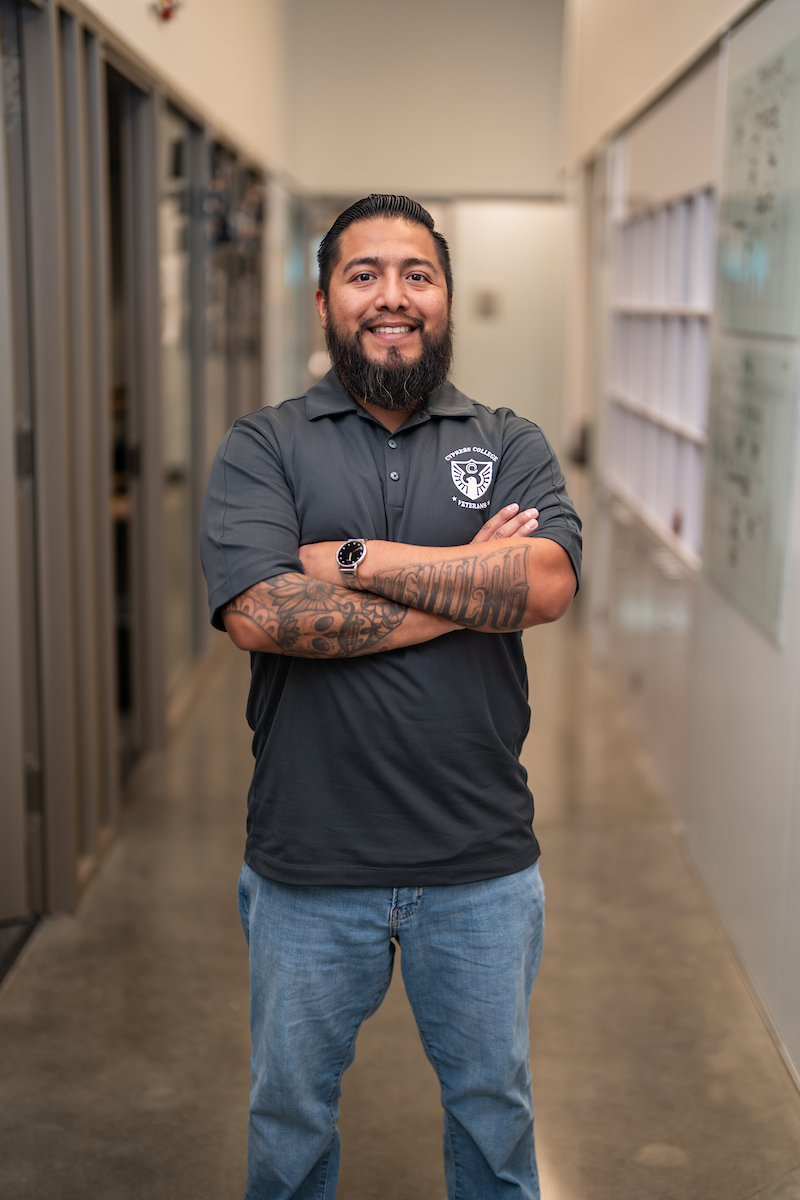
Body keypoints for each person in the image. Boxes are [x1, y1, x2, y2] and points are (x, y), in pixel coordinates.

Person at [199, 194, 581, 1200]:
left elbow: (541, 585)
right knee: (287, 1122)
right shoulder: (262, 444)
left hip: (479, 862)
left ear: (445, 297)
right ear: (322, 299)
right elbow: (264, 614)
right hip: (308, 864)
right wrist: (466, 588)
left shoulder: (509, 441)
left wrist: (353, 562)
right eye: (363, 275)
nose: (392, 298)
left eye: (416, 274)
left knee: (494, 1117)